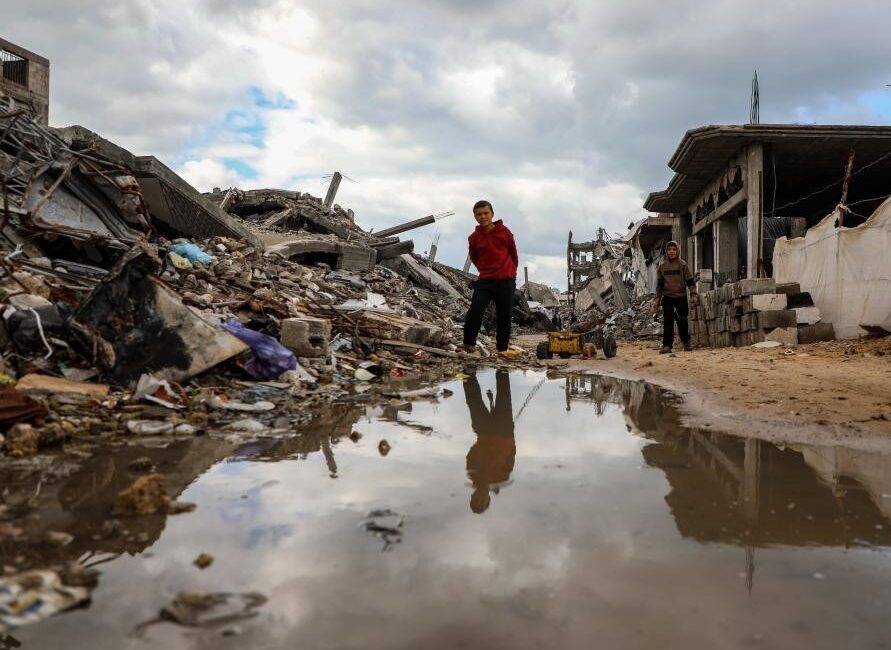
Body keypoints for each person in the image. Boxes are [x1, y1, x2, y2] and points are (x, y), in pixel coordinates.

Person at [463, 200, 519, 356]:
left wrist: (511, 272)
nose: (482, 217)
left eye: (485, 213)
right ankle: (468, 344)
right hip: (485, 281)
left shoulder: (504, 232)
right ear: (475, 217)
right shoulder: (474, 238)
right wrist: (484, 270)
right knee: (475, 310)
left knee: (504, 315)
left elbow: (513, 255)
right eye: (478, 214)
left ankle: (502, 348)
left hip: (506, 280)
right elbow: (474, 257)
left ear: (492, 214)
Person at [464, 371, 516, 514]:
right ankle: (502, 369)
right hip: (503, 431)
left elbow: (470, 454)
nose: (480, 497)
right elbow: (512, 454)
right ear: (488, 499)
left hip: (483, 432)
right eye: (482, 501)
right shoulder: (502, 477)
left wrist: (482, 445)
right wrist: (510, 434)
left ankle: (468, 371)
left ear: (473, 495)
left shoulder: (472, 475)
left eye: (476, 499)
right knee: (504, 393)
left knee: (472, 399)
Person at [654, 240, 697, 353]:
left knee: (682, 321)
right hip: (667, 298)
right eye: (669, 249)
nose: (671, 251)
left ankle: (686, 342)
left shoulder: (683, 265)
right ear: (666, 251)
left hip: (681, 297)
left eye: (674, 249)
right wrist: (657, 301)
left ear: (677, 251)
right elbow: (659, 285)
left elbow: (690, 281)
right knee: (668, 322)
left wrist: (693, 295)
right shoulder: (662, 267)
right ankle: (667, 345)